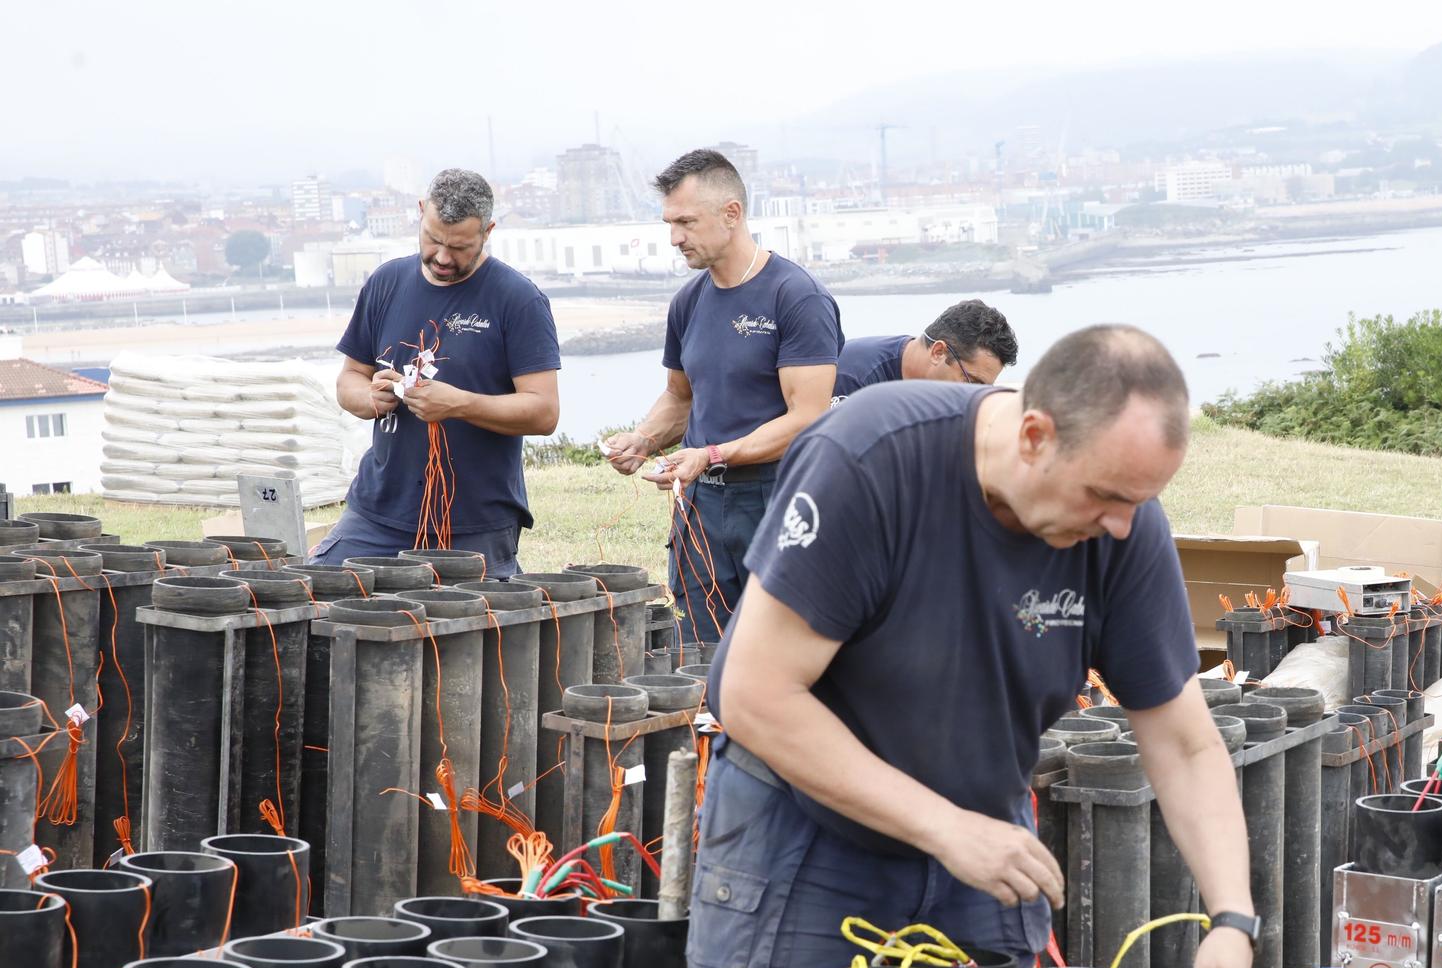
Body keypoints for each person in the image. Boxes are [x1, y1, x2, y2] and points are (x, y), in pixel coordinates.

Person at [687, 324, 1256, 968]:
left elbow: (1185, 743)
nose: (1119, 526)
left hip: (981, 841)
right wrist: (945, 827)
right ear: (1034, 435)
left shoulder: (1122, 525)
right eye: (1104, 495)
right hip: (807, 837)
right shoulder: (869, 461)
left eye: (1138, 501)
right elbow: (754, 692)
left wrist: (1232, 916)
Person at [601, 149, 842, 644]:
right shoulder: (688, 302)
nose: (675, 237)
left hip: (778, 496)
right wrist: (642, 439)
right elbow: (679, 396)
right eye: (670, 223)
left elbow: (807, 417)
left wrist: (712, 454)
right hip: (701, 508)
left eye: (686, 221)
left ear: (731, 214)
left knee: (778, 651)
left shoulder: (797, 297)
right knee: (698, 652)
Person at [324, 168, 560, 577]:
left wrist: (460, 404)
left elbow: (544, 413)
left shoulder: (518, 300)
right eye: (433, 239)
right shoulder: (386, 283)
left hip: (473, 522)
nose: (443, 257)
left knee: (469, 634)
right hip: (378, 510)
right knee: (320, 595)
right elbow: (349, 378)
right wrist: (368, 399)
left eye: (460, 246)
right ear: (420, 213)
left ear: (488, 231)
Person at [833, 298, 1019, 399]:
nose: (974, 396)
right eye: (973, 383)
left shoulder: (939, 391)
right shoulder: (854, 378)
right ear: (938, 352)